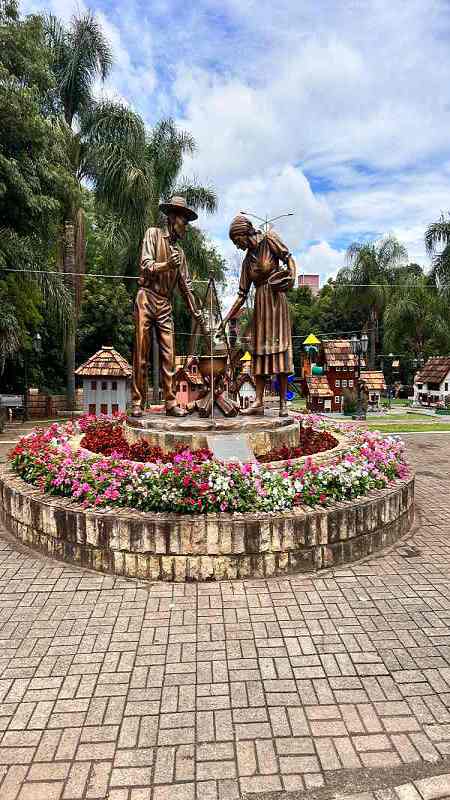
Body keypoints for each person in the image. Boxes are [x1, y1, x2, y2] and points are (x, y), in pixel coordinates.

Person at [131, 196, 205, 417]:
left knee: (169, 354)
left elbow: (186, 286)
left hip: (165, 303)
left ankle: (171, 403)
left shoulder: (180, 254)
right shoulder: (152, 234)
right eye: (185, 221)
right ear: (172, 218)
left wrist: (195, 311)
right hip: (146, 296)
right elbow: (145, 265)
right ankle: (137, 402)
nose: (187, 227)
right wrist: (167, 265)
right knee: (141, 352)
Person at [220, 214, 296, 416]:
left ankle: (282, 403)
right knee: (259, 351)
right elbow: (242, 295)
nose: (237, 246)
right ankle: (259, 401)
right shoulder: (247, 261)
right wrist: (225, 320)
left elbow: (288, 258)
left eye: (237, 241)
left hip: (276, 301)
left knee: (279, 350)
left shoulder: (269, 239)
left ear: (245, 233)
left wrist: (292, 277)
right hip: (261, 307)